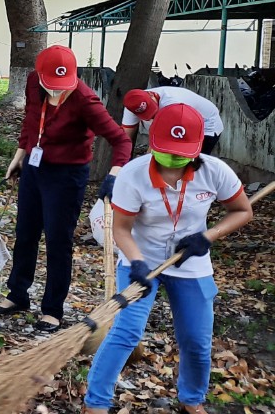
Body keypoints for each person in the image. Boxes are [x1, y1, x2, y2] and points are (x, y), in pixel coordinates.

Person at [84, 104, 252, 414]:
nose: (173, 159)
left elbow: (243, 210)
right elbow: (120, 229)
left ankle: (192, 399)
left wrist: (207, 237)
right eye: (166, 151)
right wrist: (135, 263)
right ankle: (96, 402)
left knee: (197, 341)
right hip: (141, 260)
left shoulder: (215, 171)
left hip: (191, 264)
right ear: (152, 143)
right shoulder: (133, 174)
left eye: (181, 152)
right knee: (126, 332)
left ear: (197, 147)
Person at [0, 45, 132, 332]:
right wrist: (19, 156)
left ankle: (52, 309)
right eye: (50, 86)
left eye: (61, 87)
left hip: (66, 176)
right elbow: (31, 120)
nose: (56, 93)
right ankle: (17, 295)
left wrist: (114, 175)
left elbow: (121, 141)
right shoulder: (32, 82)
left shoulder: (85, 101)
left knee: (58, 241)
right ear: (39, 75)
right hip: (34, 168)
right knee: (25, 234)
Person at [122, 87, 223, 155]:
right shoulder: (133, 104)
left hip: (207, 123)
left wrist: (145, 164)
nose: (152, 117)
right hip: (182, 120)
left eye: (152, 111)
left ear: (151, 96)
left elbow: (157, 145)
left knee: (193, 162)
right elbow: (125, 139)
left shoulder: (172, 103)